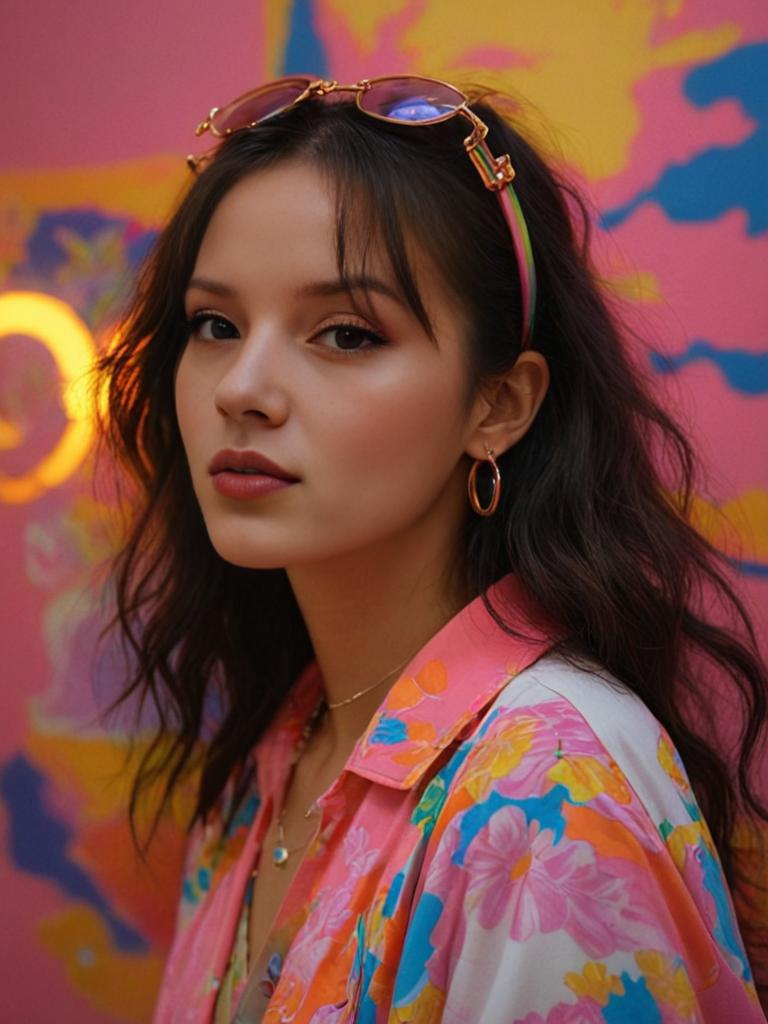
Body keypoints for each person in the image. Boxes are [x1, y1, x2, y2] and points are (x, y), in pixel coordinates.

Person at [98, 76, 768, 1023]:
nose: (239, 388)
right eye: (215, 325)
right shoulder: (281, 747)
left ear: (499, 406)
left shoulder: (545, 791)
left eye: (345, 333)